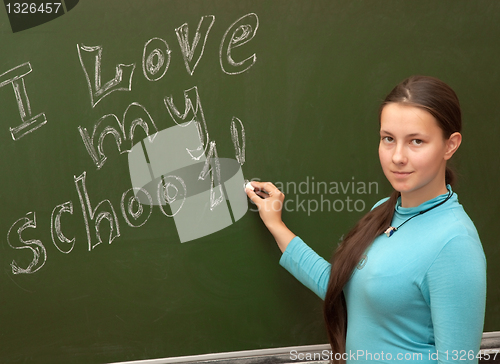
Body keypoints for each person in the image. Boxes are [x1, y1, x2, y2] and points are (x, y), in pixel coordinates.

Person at [246, 75, 486, 364]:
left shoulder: (455, 244)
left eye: (416, 141)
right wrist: (275, 224)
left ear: (450, 145)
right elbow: (340, 287)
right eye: (388, 139)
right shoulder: (384, 209)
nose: (397, 156)